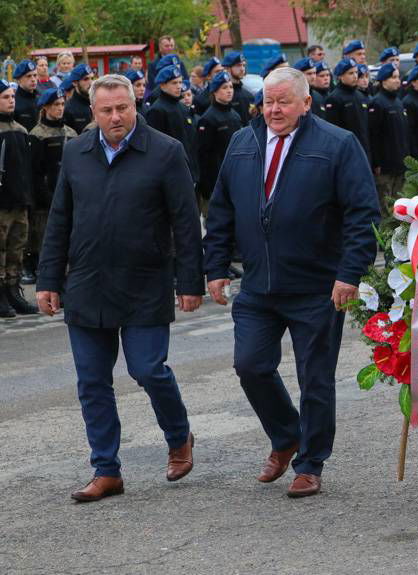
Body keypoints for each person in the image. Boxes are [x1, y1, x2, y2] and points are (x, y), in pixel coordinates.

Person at [203, 67, 380, 498]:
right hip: (259, 286)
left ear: (306, 103)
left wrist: (349, 273)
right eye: (268, 101)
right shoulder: (243, 143)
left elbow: (362, 214)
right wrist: (215, 266)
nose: (274, 110)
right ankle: (286, 437)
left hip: (317, 287)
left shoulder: (337, 145)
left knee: (315, 378)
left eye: (283, 101)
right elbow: (221, 208)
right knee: (250, 365)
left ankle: (310, 463)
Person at [36, 74, 203, 501]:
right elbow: (59, 219)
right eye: (106, 110)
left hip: (145, 283)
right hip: (88, 285)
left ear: (135, 105)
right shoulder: (76, 152)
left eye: (122, 108)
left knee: (148, 369)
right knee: (92, 381)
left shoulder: (166, 152)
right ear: (93, 112)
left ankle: (178, 435)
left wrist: (190, 281)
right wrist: (49, 279)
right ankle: (106, 470)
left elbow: (185, 223)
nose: (115, 117)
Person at [25, 88, 78, 287]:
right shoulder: (37, 134)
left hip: (69, 195)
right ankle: (51, 284)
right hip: (47, 199)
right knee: (48, 243)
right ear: (46, 107)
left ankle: (66, 283)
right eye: (56, 105)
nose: (60, 108)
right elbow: (35, 172)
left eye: (62, 104)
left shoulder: (70, 133)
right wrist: (44, 197)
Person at [0, 80, 39, 317]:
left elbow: (27, 169)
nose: (11, 100)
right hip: (2, 203)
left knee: (16, 249)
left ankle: (13, 290)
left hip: (19, 200)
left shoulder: (20, 130)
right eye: (5, 97)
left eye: (12, 96)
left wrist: (28, 197)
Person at [196, 71, 242, 218]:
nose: (229, 90)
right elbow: (203, 155)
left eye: (230, 87)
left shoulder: (234, 115)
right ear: (214, 91)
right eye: (224, 88)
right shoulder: (208, 118)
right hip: (216, 181)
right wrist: (207, 188)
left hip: (234, 178)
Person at [145, 65, 198, 185]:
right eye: (174, 83)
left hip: (188, 168)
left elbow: (191, 142)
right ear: (163, 85)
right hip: (169, 172)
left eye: (180, 82)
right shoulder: (157, 110)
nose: (179, 86)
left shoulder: (183, 108)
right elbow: (155, 147)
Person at [368, 63, 409, 208]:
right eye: (393, 77)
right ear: (383, 80)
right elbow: (374, 135)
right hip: (385, 165)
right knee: (385, 205)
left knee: (399, 204)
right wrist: (377, 163)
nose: (397, 80)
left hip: (400, 163)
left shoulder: (398, 101)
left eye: (398, 77)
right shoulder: (377, 102)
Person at [325, 58, 371, 164]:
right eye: (350, 73)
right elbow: (333, 131)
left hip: (363, 150)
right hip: (346, 154)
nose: (355, 76)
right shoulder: (334, 98)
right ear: (341, 76)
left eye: (356, 72)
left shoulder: (360, 96)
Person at [223, 52, 254, 126]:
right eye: (238, 65)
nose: (242, 69)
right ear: (227, 68)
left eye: (243, 65)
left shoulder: (248, 95)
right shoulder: (222, 95)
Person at [63, 64, 94, 134]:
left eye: (92, 78)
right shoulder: (68, 109)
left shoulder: (98, 103)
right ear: (75, 83)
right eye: (86, 79)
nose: (91, 83)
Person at [13, 60, 39, 131]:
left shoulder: (39, 99)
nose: (33, 79)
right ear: (19, 80)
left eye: (35, 75)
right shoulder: (13, 102)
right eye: (28, 76)